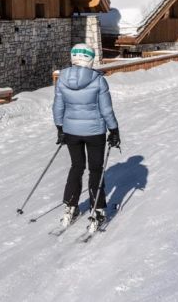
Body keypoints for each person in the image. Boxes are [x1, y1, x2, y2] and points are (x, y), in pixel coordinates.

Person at [53, 43, 120, 228]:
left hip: (71, 131)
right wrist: (114, 130)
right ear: (90, 59)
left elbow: (58, 106)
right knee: (95, 169)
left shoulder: (62, 78)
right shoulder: (98, 80)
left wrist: (60, 127)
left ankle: (70, 206)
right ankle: (97, 209)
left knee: (77, 166)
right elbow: (106, 110)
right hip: (94, 132)